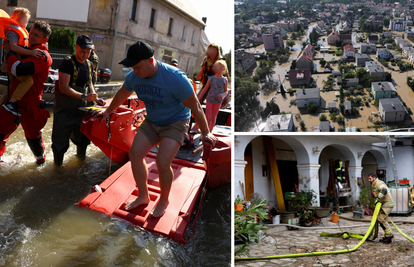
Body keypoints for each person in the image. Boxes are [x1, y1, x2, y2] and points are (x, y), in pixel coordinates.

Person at [92, 41, 217, 217]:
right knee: (134, 154)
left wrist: (206, 133)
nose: (135, 72)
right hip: (152, 121)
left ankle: (164, 200)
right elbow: (122, 94)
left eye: (138, 67)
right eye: (132, 68)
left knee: (162, 162)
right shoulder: (134, 76)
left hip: (176, 122)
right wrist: (107, 112)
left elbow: (196, 106)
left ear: (151, 61)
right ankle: (143, 196)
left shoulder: (175, 78)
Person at [0, 20, 52, 164]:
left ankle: (41, 163)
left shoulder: (42, 56)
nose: (32, 36)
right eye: (31, 32)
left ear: (44, 39)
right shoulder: (22, 48)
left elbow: (19, 69)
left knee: (33, 140)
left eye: (36, 35)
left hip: (30, 105)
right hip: (12, 99)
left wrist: (10, 51)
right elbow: (8, 68)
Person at [52, 35, 102, 166]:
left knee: (83, 139)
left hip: (82, 111)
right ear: (76, 47)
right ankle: (57, 168)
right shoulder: (67, 63)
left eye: (88, 52)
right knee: (60, 142)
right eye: (83, 51)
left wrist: (94, 95)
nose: (85, 55)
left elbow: (89, 82)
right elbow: (63, 88)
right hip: (65, 110)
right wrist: (83, 96)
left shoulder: (90, 64)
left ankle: (80, 163)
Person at [1, 7, 43, 116]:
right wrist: (31, 53)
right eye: (24, 21)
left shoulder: (19, 30)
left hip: (14, 59)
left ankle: (4, 103)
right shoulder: (12, 32)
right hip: (12, 59)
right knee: (28, 81)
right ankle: (11, 102)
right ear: (16, 19)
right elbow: (14, 48)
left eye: (26, 21)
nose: (25, 23)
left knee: (12, 86)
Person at [198, 60, 228, 132]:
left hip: (218, 101)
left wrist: (222, 95)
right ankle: (204, 131)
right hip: (210, 99)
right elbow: (205, 89)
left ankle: (210, 131)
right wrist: (198, 98)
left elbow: (226, 91)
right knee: (207, 116)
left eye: (221, 68)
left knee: (213, 117)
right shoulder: (211, 78)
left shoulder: (224, 80)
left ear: (223, 69)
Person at [368, 173, 394, 244]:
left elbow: (384, 190)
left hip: (387, 204)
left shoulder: (379, 183)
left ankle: (389, 236)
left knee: (381, 219)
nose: (369, 180)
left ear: (374, 177)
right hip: (383, 204)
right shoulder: (374, 184)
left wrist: (378, 198)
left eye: (370, 178)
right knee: (383, 219)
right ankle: (387, 236)